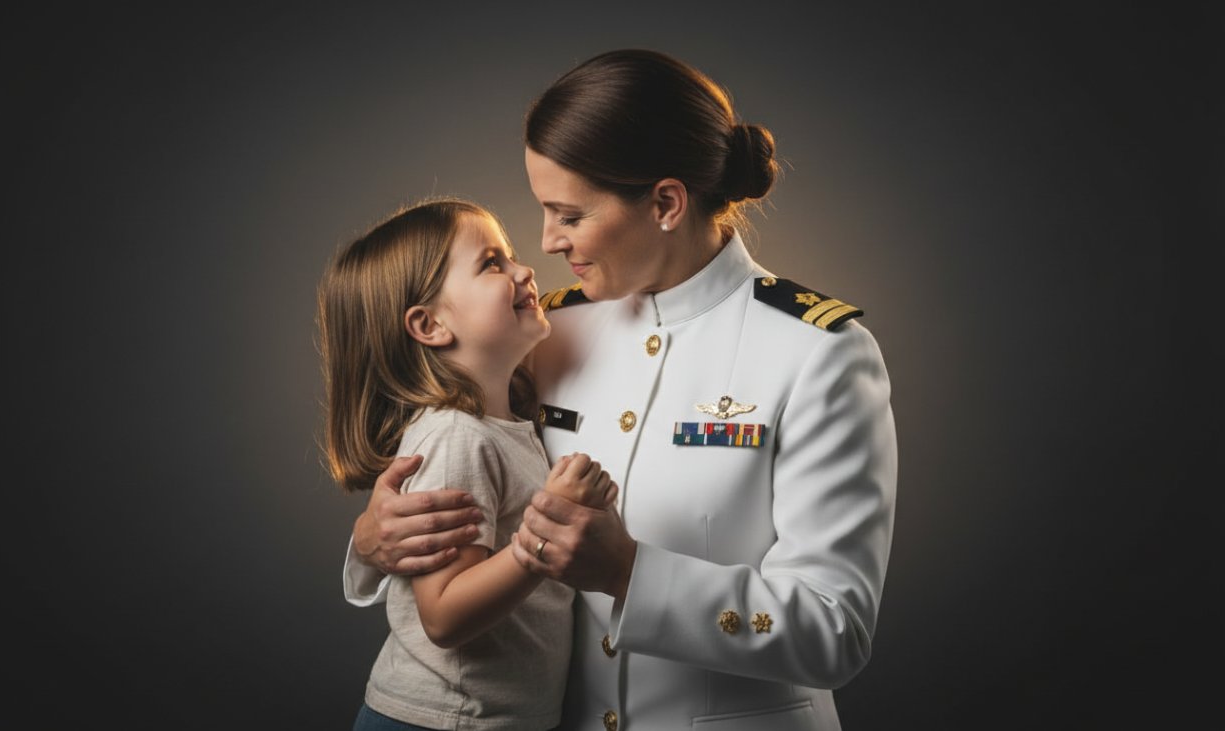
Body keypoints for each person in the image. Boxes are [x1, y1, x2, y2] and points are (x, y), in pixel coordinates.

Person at [344, 49, 898, 731]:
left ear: (666, 202)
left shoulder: (817, 353)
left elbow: (834, 630)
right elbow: (460, 457)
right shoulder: (547, 332)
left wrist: (631, 571)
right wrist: (378, 538)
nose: (545, 241)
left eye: (569, 215)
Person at [318, 197, 617, 731]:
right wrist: (545, 536)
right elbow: (445, 615)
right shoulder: (458, 436)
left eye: (509, 256)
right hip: (441, 721)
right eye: (491, 263)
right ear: (429, 325)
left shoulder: (497, 425)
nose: (525, 270)